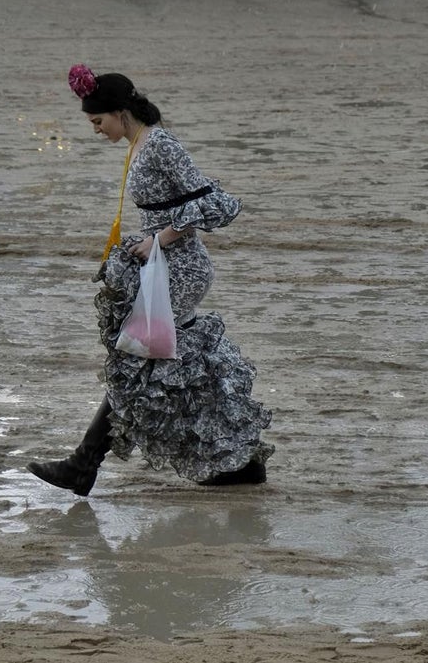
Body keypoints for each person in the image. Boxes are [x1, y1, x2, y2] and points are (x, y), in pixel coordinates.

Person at [26, 66, 274, 495]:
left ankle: (83, 465)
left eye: (98, 122)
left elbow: (221, 204)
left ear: (121, 113)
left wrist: (163, 235)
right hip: (163, 270)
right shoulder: (138, 144)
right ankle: (242, 464)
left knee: (136, 361)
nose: (96, 131)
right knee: (178, 362)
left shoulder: (159, 144)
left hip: (181, 271)